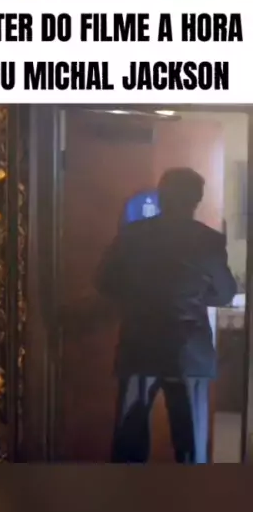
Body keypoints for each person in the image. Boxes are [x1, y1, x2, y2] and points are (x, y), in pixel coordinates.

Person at [96, 167, 237, 464]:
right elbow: (225, 293)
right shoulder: (208, 240)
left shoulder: (132, 236)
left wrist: (136, 297)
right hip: (189, 351)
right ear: (196, 200)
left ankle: (122, 493)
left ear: (161, 196)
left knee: (128, 445)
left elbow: (104, 281)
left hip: (139, 344)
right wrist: (197, 298)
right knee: (191, 447)